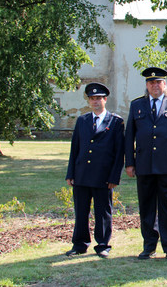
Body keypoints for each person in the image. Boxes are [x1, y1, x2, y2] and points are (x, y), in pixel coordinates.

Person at [125, 67, 167, 261]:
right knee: (146, 206)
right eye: (151, 82)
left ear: (165, 84)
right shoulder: (137, 105)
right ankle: (149, 246)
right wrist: (130, 162)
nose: (155, 86)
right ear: (147, 85)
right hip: (144, 164)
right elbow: (129, 136)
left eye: (159, 82)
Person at [65, 83, 125, 258]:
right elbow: (74, 149)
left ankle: (103, 245)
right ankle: (79, 244)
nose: (95, 101)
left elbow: (119, 152)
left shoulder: (115, 122)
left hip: (103, 176)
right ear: (89, 101)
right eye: (92, 98)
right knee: (81, 211)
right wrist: (71, 173)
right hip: (82, 174)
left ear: (105, 99)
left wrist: (114, 177)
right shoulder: (82, 121)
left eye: (99, 98)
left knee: (103, 212)